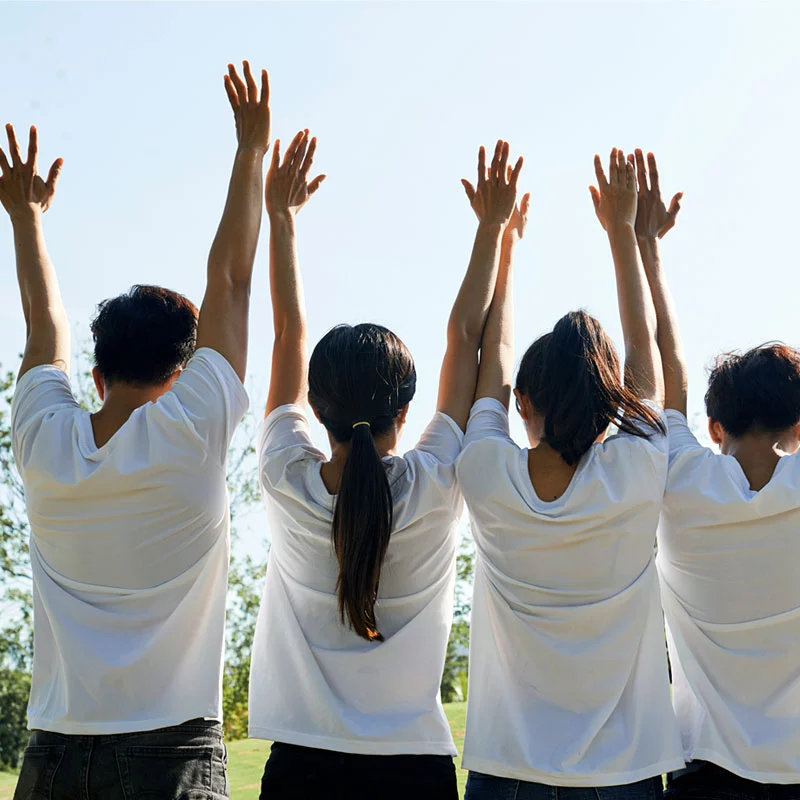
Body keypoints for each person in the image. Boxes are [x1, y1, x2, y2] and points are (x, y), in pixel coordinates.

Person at [3, 61, 270, 799]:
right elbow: (233, 281)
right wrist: (251, 152)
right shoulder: (191, 430)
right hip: (171, 754)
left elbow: (41, 327)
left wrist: (26, 218)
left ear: (97, 373)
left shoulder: (44, 444)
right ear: (181, 375)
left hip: (53, 758)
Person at [248, 136, 523, 800]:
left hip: (302, 770)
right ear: (409, 407)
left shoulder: (286, 475)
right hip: (413, 769)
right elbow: (470, 340)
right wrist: (497, 232)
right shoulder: (434, 482)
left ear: (317, 406)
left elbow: (288, 331)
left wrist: (281, 219)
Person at [456, 149, 685, 799]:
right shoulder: (638, 467)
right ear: (611, 400)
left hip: (507, 777)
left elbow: (491, 350)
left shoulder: (486, 471)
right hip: (625, 775)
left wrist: (503, 240)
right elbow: (645, 359)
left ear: (520, 403)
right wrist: (624, 233)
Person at [638, 149, 800, 799]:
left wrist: (646, 247)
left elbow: (665, 365)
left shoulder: (682, 482)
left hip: (706, 774)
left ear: (713, 427)